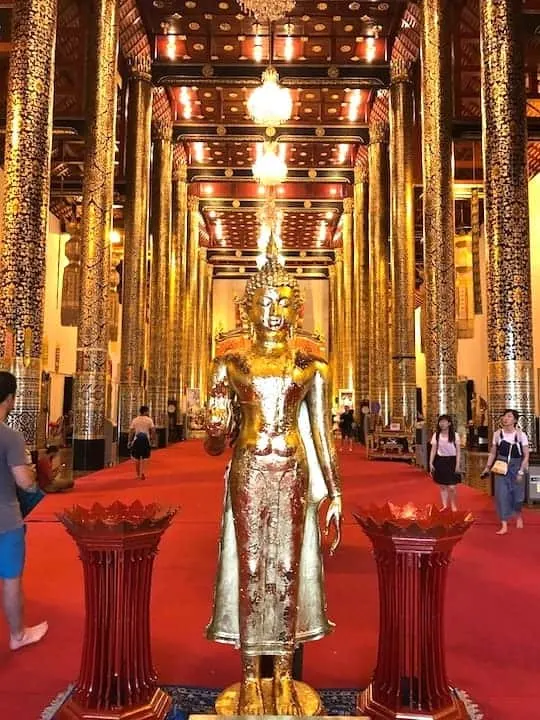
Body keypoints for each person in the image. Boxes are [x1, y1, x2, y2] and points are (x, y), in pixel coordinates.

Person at [204, 238, 342, 715]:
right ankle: (247, 674)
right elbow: (215, 442)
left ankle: (282, 673)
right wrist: (214, 424)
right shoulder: (231, 361)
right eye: (265, 302)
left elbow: (321, 431)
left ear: (296, 307)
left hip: (292, 468)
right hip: (247, 469)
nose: (274, 311)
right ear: (248, 308)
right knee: (250, 565)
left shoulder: (310, 363)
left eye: (284, 302)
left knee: (285, 567)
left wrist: (335, 492)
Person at [0, 371, 48, 650]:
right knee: (10, 579)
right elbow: (25, 482)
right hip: (5, 519)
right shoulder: (10, 437)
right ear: (10, 398)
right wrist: (34, 476)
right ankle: (18, 635)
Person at [481, 409, 529, 535]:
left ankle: (518, 515)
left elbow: (526, 456)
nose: (505, 418)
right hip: (501, 466)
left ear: (514, 420)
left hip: (516, 466)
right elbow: (493, 452)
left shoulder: (521, 435)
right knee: (501, 495)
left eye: (509, 416)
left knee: (518, 496)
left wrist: (521, 472)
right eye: (504, 416)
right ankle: (504, 524)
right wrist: (487, 467)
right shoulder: (497, 434)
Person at [429, 414, 461, 511]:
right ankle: (444, 506)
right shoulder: (436, 435)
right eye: (440, 422)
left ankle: (453, 504)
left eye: (444, 422)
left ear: (449, 423)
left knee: (452, 487)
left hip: (452, 461)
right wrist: (431, 462)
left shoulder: (455, 435)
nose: (442, 424)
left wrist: (457, 464)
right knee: (442, 486)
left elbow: (458, 451)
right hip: (440, 461)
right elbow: (433, 450)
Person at [128, 406, 156, 480]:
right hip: (146, 440)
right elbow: (153, 430)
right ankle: (143, 472)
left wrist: (129, 441)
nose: (148, 413)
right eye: (147, 411)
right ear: (145, 411)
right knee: (145, 457)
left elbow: (131, 432)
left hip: (136, 440)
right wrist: (153, 440)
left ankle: (138, 474)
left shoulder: (135, 420)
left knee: (136, 458)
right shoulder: (149, 420)